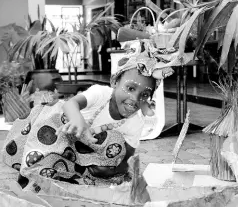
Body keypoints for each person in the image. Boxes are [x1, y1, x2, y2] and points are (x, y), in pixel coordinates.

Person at [2, 40, 192, 189]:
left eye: (143, 95)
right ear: (115, 82)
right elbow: (70, 104)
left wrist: (111, 170)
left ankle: (69, 178)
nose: (134, 99)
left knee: (117, 146)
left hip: (81, 156)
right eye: (130, 88)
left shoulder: (135, 122)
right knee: (57, 117)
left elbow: (125, 159)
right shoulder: (100, 93)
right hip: (57, 137)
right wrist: (78, 122)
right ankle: (32, 178)